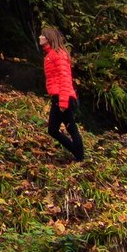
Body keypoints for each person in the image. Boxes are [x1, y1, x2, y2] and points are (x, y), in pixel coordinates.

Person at [40, 26, 84, 161]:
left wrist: (63, 101)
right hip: (58, 96)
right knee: (53, 129)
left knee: (70, 129)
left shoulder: (58, 54)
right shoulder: (51, 54)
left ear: (49, 38)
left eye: (43, 35)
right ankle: (77, 154)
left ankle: (79, 157)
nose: (40, 37)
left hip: (62, 96)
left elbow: (65, 78)